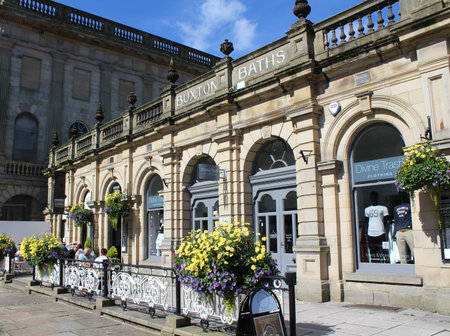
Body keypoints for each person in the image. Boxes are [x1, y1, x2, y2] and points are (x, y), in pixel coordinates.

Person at [365, 191, 389, 262]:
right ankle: (375, 264)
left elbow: (386, 221)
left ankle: (386, 263)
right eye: (372, 197)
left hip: (381, 232)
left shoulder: (383, 208)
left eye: (374, 197)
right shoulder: (367, 209)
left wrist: (386, 232)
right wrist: (366, 234)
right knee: (372, 251)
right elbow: (366, 222)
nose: (373, 198)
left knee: (384, 250)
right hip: (371, 233)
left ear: (377, 197)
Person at [394, 193, 414, 264]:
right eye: (399, 197)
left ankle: (418, 265)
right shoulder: (396, 208)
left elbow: (413, 217)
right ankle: (404, 266)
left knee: (414, 249)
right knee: (402, 252)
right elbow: (395, 220)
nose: (400, 198)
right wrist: (395, 233)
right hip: (399, 231)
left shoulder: (409, 205)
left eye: (402, 197)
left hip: (408, 230)